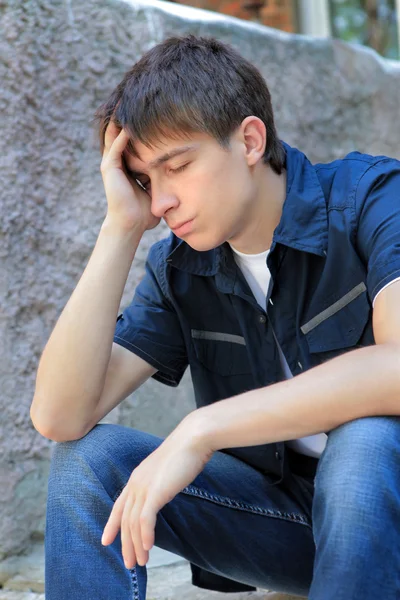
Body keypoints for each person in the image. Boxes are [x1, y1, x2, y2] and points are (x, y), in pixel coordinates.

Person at [30, 34, 400, 600]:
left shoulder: (372, 199)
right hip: (299, 530)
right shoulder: (180, 268)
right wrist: (119, 229)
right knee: (87, 460)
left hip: (387, 516)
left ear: (250, 140)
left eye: (177, 166)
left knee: (366, 440)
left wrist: (201, 430)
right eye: (146, 181)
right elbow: (60, 417)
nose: (161, 202)